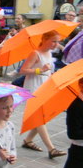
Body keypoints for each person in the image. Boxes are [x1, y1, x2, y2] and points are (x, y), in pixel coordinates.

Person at [20, 31, 66, 159]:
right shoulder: (35, 53)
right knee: (40, 117)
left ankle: (28, 140)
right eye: (53, 41)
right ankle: (51, 149)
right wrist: (40, 70)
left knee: (43, 117)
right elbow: (23, 70)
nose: (56, 44)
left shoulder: (50, 53)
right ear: (45, 39)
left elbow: (49, 71)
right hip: (34, 87)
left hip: (45, 86)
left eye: (58, 41)